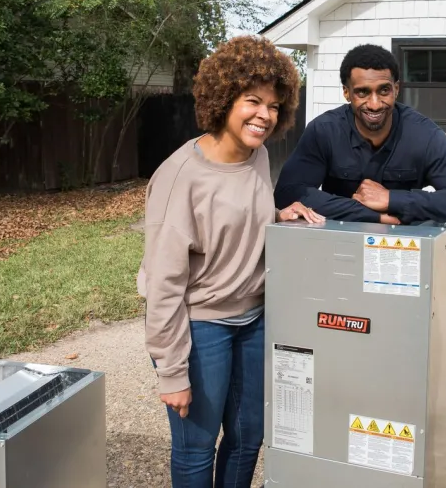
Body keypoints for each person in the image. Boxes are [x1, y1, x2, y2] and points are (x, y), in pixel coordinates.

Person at [137, 35, 324, 488]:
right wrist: (172, 372)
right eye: (252, 101)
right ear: (223, 99)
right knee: (196, 446)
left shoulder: (256, 156)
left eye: (275, 106)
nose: (265, 115)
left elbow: (236, 212)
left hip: (255, 319)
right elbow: (162, 285)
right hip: (202, 326)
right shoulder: (180, 178)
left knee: (248, 436)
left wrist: (278, 214)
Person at [273, 43, 446, 224]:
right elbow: (287, 193)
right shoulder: (324, 131)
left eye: (384, 90)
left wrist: (392, 200)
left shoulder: (424, 136)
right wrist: (377, 215)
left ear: (396, 89)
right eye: (363, 92)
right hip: (338, 243)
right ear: (347, 93)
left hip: (405, 249)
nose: (375, 104)